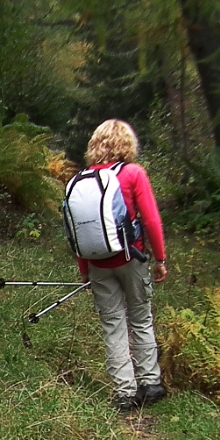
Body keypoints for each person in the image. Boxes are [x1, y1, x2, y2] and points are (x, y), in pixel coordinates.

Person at [75, 119, 168, 412]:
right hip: (131, 257)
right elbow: (151, 219)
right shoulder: (132, 174)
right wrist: (160, 259)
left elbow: (79, 230)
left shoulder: (82, 179)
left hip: (97, 263)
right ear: (128, 143)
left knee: (112, 325)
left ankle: (124, 393)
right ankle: (150, 383)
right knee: (140, 318)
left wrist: (84, 269)